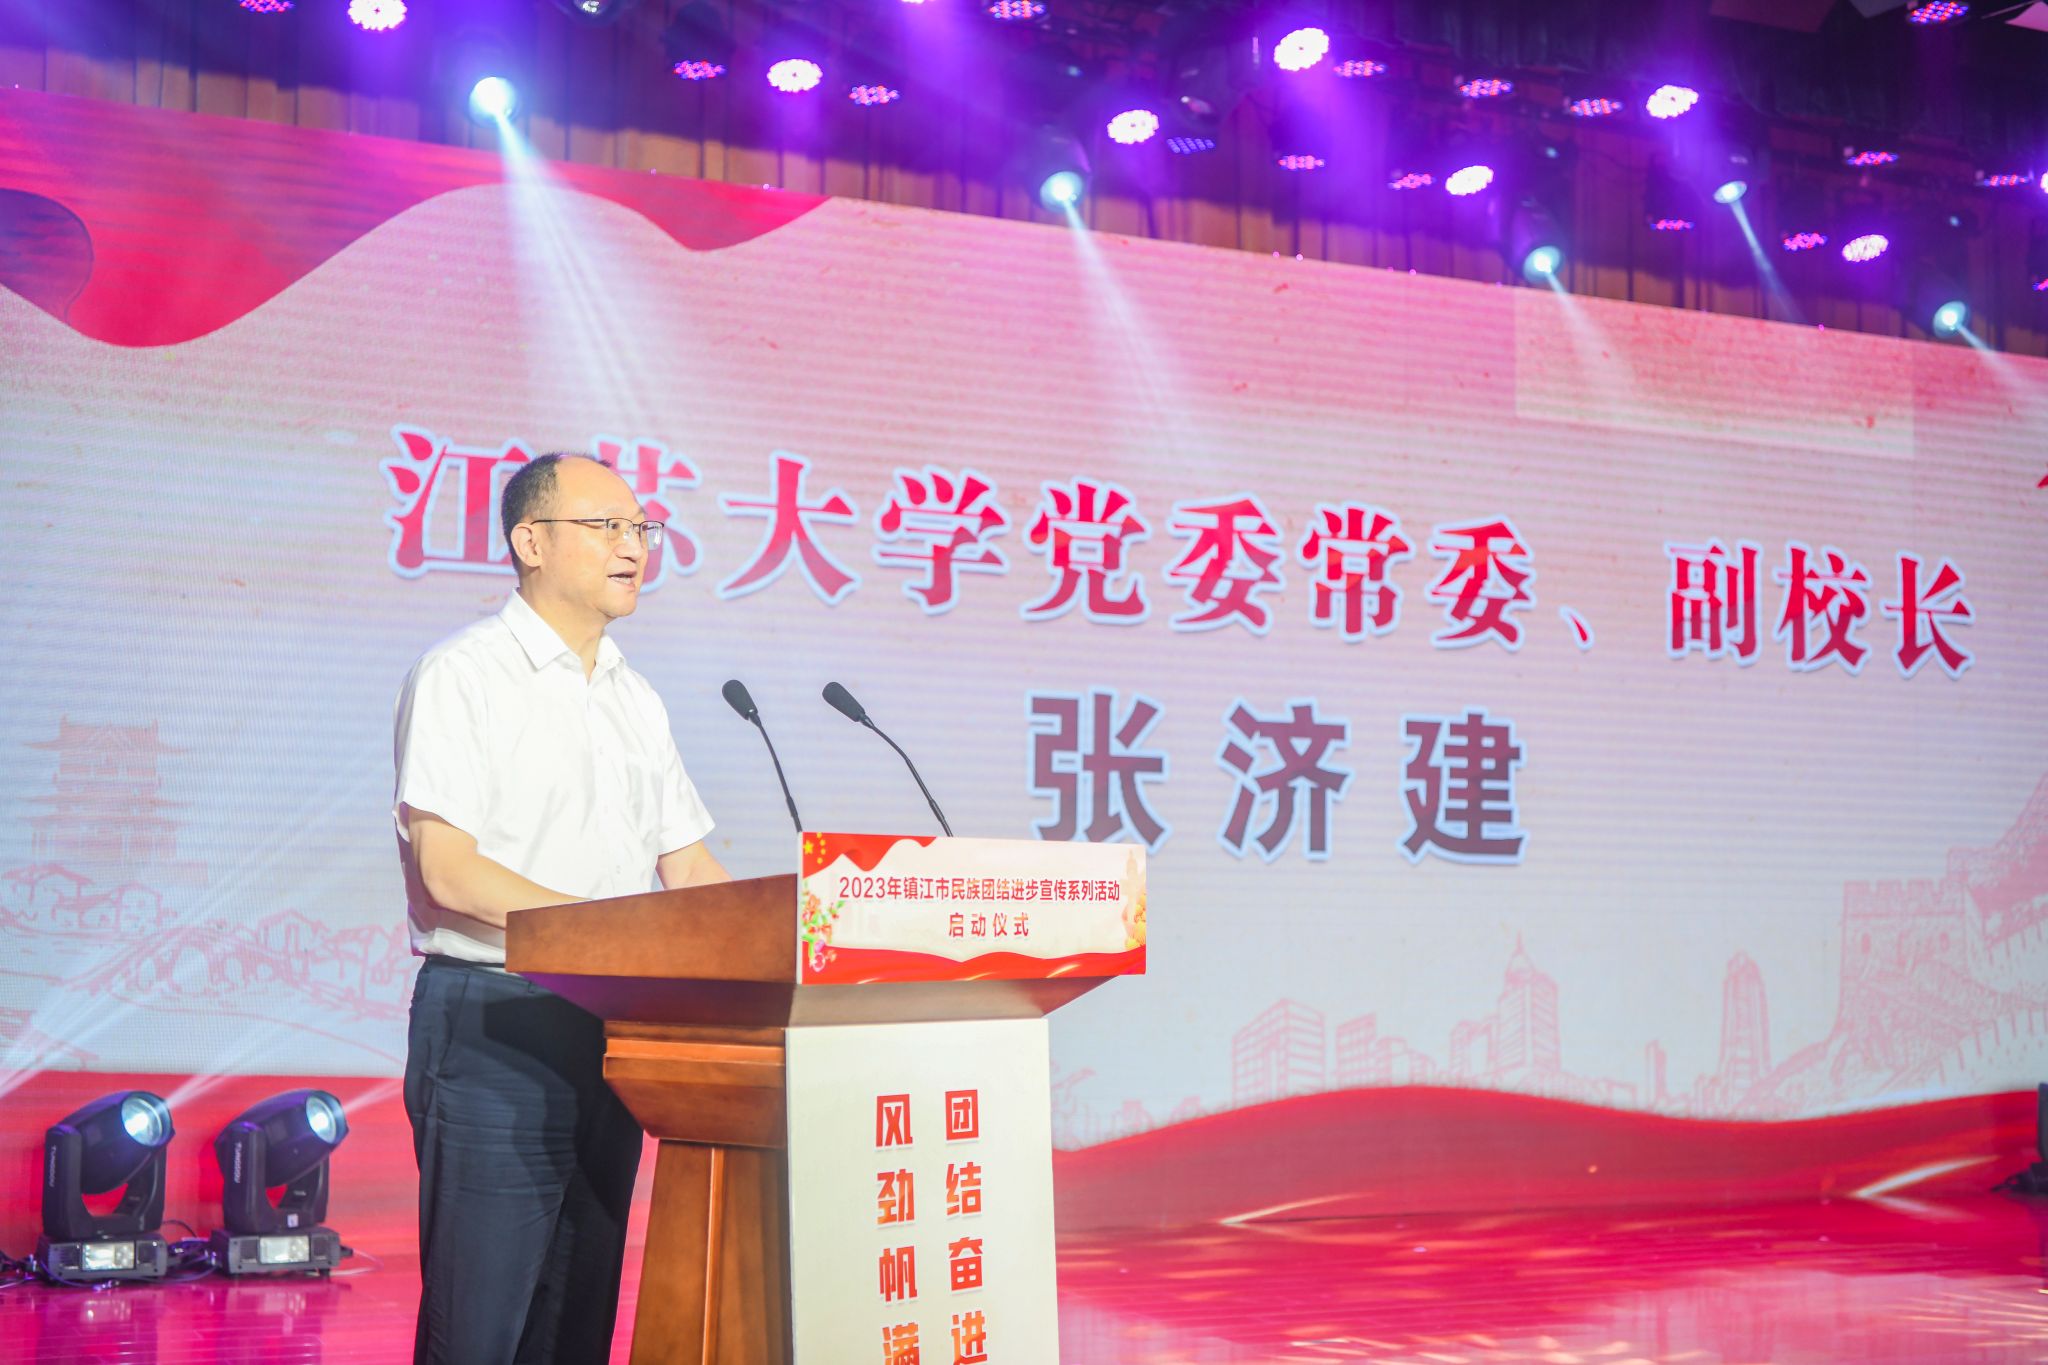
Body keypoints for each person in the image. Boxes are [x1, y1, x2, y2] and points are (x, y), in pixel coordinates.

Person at [392, 452, 729, 1364]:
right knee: (479, 1329)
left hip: (615, 1028)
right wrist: (608, 933)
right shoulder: (464, 674)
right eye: (607, 526)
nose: (635, 547)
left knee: (577, 1323)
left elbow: (687, 863)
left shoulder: (634, 697)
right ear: (530, 541)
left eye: (642, 529)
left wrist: (795, 934)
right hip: (496, 1024)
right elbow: (449, 872)